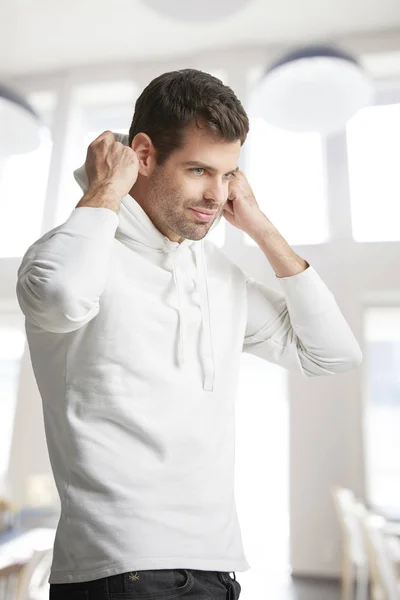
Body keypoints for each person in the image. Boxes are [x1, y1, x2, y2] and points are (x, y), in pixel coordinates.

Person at [16, 69, 362, 599]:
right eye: (200, 169)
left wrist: (262, 228)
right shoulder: (71, 256)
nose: (215, 194)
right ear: (145, 156)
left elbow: (331, 354)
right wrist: (109, 186)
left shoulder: (216, 274)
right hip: (118, 569)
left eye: (229, 175)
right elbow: (60, 297)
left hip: (215, 566)